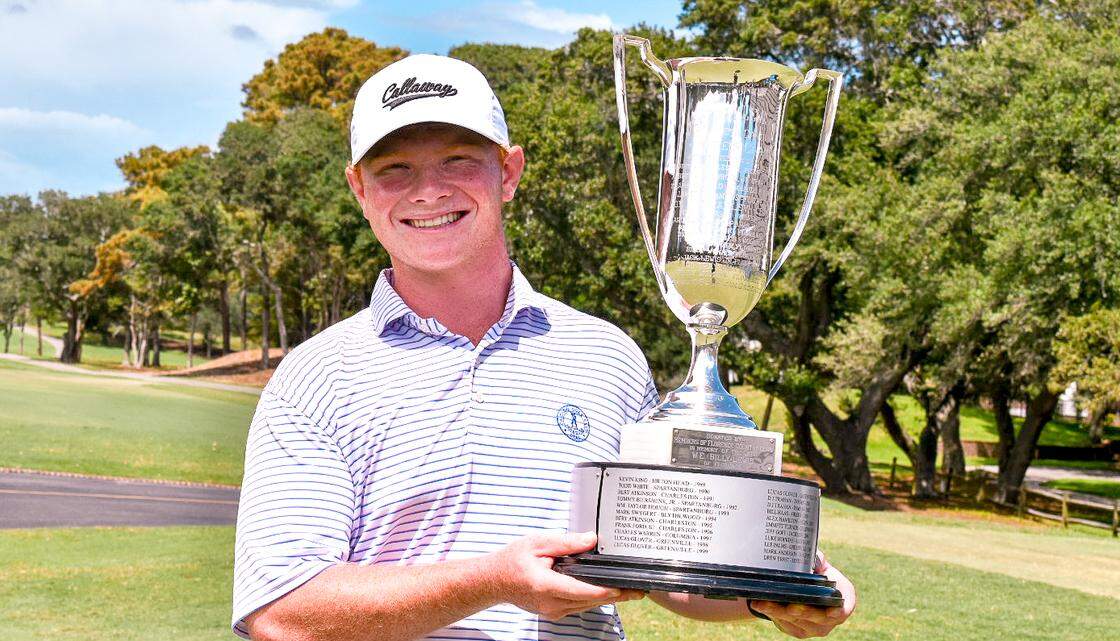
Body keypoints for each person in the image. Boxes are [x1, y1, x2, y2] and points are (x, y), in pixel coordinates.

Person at [231, 53, 856, 641]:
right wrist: (494, 581)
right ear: (359, 189)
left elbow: (665, 563)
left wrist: (770, 589)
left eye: (457, 159)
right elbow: (283, 614)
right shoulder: (315, 377)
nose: (428, 191)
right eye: (394, 169)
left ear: (509, 172)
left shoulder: (606, 356)